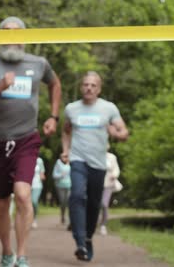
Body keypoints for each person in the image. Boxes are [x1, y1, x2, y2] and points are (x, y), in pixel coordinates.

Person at [0, 16, 61, 267]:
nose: (11, 37)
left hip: (26, 139)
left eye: (16, 32)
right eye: (5, 32)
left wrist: (53, 116)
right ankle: (7, 252)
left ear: (24, 37)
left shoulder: (38, 63)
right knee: (0, 202)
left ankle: (22, 255)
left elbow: (55, 83)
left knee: (22, 194)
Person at [61, 71, 128, 262]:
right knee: (76, 195)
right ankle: (80, 241)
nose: (88, 88)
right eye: (85, 84)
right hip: (78, 159)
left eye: (93, 85)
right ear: (81, 87)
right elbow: (66, 131)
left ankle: (88, 238)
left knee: (93, 204)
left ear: (99, 89)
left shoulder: (108, 108)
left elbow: (124, 131)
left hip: (98, 164)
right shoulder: (72, 109)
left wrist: (117, 134)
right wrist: (66, 150)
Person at [99, 148, 123, 236]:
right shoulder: (95, 156)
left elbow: (116, 169)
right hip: (97, 183)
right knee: (95, 204)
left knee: (104, 204)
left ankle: (103, 225)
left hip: (108, 183)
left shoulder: (112, 157)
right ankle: (91, 223)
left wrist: (114, 175)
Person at [52, 153, 71, 227]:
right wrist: (61, 175)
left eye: (67, 156)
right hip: (60, 186)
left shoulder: (71, 164)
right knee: (63, 202)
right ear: (61, 157)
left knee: (70, 202)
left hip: (69, 185)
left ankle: (71, 220)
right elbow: (54, 175)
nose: (66, 158)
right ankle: (62, 216)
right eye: (64, 156)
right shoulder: (58, 163)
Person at [31, 156, 45, 229]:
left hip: (37, 185)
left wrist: (42, 176)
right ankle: (26, 220)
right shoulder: (25, 158)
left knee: (34, 201)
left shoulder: (39, 160)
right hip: (26, 185)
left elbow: (42, 172)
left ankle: (34, 219)